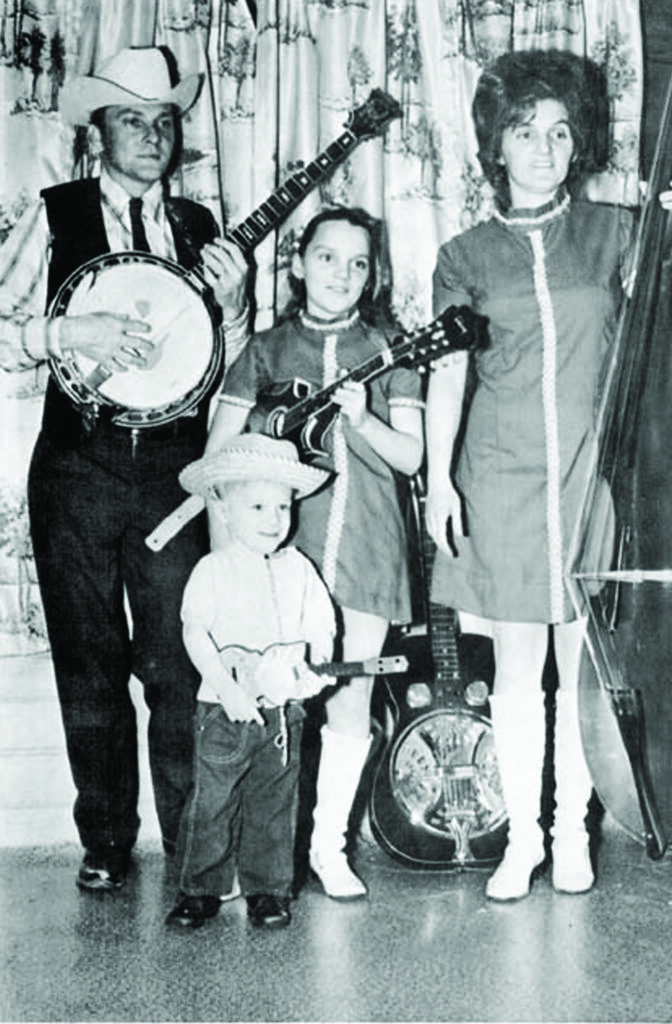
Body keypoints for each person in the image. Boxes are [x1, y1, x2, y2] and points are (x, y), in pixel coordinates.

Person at [424, 50, 672, 902]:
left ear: (577, 145)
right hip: (499, 476)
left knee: (582, 670)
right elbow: (446, 376)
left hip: (592, 474)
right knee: (515, 672)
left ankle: (573, 836)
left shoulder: (614, 230)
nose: (542, 148)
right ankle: (521, 843)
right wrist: (439, 481)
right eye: (523, 132)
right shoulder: (463, 255)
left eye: (558, 132)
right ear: (494, 146)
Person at [0, 46, 250, 891]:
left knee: (179, 661)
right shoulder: (55, 214)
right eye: (132, 120)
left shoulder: (201, 228)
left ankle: (191, 847)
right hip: (77, 465)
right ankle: (105, 841)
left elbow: (225, 368)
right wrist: (68, 333)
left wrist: (237, 308)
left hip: (175, 471)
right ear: (98, 133)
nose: (152, 135)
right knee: (88, 661)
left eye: (164, 121)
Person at [207, 206, 424, 899]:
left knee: (350, 698)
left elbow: (411, 456)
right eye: (327, 257)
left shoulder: (392, 349)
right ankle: (250, 856)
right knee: (265, 701)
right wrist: (230, 562)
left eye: (358, 263)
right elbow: (218, 456)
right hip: (282, 549)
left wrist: (363, 420)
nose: (342, 274)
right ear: (298, 264)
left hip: (368, 542)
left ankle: (329, 851)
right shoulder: (264, 350)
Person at [165, 433, 335, 930]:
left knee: (275, 802)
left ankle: (267, 889)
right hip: (224, 711)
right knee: (212, 802)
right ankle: (199, 889)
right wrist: (227, 688)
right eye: (257, 506)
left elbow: (321, 626)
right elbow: (194, 633)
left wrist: (317, 663)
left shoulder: (300, 569)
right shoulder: (213, 569)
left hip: (282, 714)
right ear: (224, 510)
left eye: (282, 507)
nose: (273, 519)